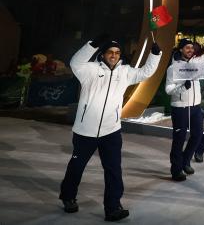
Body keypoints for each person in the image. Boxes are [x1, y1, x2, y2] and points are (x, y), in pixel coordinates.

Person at [59, 34, 162, 221]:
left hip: (111, 131)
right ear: (103, 54)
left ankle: (113, 206)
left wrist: (155, 55)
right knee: (77, 166)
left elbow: (146, 72)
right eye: (110, 52)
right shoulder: (89, 70)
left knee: (114, 169)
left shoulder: (125, 72)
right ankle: (68, 197)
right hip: (85, 131)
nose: (114, 55)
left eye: (117, 52)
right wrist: (92, 45)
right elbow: (75, 62)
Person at [165, 34, 204, 181]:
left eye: (191, 47)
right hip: (180, 107)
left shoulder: (197, 62)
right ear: (181, 49)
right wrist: (182, 88)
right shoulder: (173, 67)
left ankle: (185, 161)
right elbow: (168, 89)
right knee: (179, 139)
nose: (190, 49)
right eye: (187, 47)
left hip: (195, 106)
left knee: (197, 135)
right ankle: (176, 169)